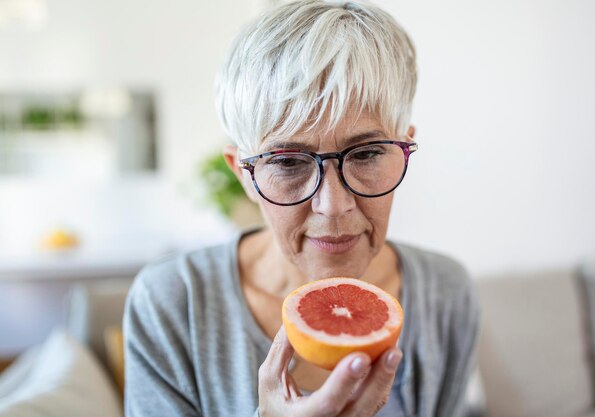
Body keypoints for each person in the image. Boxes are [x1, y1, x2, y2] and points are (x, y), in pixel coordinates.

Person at [123, 1, 479, 416]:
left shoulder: (445, 293)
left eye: (365, 154)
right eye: (288, 162)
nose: (333, 206)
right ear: (243, 174)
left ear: (404, 151)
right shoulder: (173, 304)